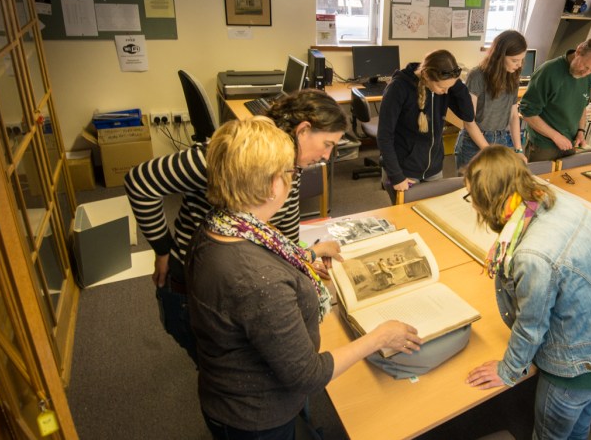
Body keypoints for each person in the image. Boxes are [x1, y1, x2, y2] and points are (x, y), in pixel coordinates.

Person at [187, 118, 422, 440]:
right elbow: (308, 375)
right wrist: (379, 337)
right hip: (256, 417)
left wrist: (308, 254)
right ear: (273, 184)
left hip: (228, 391)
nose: (293, 179)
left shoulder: (222, 224)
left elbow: (258, 265)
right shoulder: (260, 281)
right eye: (291, 172)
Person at [124, 89, 347, 362]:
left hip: (242, 279)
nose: (327, 155)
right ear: (303, 130)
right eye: (327, 144)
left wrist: (303, 258)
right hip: (198, 284)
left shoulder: (289, 161)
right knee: (230, 366)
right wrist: (162, 249)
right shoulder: (239, 153)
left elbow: (280, 233)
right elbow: (140, 181)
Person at [462, 146, 591, 440]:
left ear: (490, 199)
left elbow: (531, 326)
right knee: (581, 423)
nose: (472, 206)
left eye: (472, 198)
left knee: (550, 436)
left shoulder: (532, 256)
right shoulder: (561, 202)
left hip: (582, 368)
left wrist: (507, 371)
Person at [377, 49, 474, 194]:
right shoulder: (398, 88)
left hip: (434, 169)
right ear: (427, 76)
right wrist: (396, 176)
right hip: (404, 170)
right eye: (442, 87)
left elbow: (468, 115)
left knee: (431, 208)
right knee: (407, 209)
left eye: (450, 87)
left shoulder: (444, 87)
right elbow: (384, 136)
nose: (446, 92)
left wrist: (456, 83)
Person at [518, 38, 591, 162]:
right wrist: (556, 137)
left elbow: (581, 105)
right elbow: (527, 113)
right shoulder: (548, 71)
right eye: (585, 66)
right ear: (578, 51)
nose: (585, 73)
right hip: (544, 146)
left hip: (570, 144)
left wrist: (581, 131)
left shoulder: (587, 75)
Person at [453, 30, 528, 170]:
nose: (519, 65)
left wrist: (518, 149)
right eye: (514, 60)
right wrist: (489, 151)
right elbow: (469, 122)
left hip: (500, 139)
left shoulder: (513, 77)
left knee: (495, 182)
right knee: (470, 183)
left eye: (521, 60)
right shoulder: (477, 76)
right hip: (474, 142)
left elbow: (513, 116)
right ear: (499, 56)